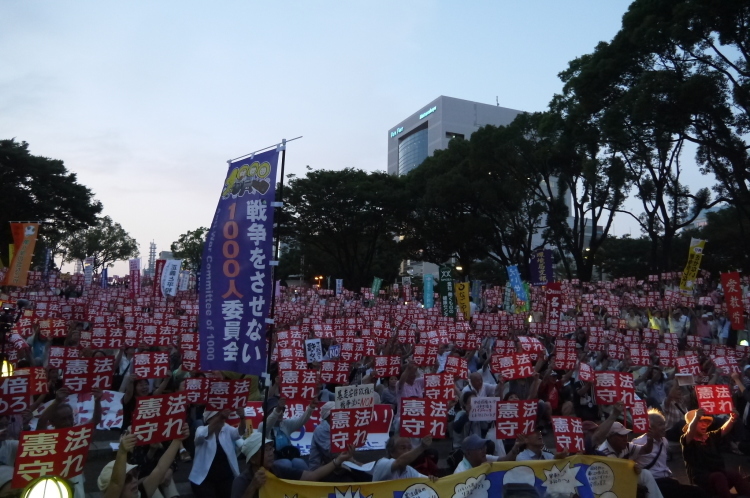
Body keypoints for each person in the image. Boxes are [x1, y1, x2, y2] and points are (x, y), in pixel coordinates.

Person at [231, 431, 356, 498]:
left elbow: (310, 477)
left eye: (271, 448)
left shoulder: (276, 470)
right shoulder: (241, 481)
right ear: (252, 459)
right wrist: (253, 486)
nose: (270, 453)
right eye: (265, 450)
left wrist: (338, 460)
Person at [632, 410, 708, 498]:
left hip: (667, 480)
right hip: (653, 482)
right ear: (650, 427)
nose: (664, 427)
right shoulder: (638, 442)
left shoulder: (664, 441)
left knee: (698, 491)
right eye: (660, 424)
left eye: (664, 424)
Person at [99, 424, 189, 498]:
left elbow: (160, 469)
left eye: (134, 474)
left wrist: (178, 439)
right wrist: (122, 452)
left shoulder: (141, 494)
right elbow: (116, 483)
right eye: (127, 479)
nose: (134, 480)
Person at [680, 408, 750, 498]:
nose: (704, 424)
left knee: (734, 475)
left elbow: (723, 430)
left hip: (719, 477)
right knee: (718, 476)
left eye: (706, 421)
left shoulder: (710, 436)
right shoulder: (687, 440)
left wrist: (732, 419)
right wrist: (696, 417)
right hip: (701, 480)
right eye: (700, 421)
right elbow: (690, 432)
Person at [189, 408, 246, 498]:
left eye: (222, 417)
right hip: (204, 479)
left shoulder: (227, 429)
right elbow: (201, 436)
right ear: (209, 419)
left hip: (226, 477)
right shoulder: (200, 429)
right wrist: (220, 417)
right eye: (217, 416)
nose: (221, 419)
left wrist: (242, 417)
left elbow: (240, 432)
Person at [597, 422, 664, 498]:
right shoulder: (604, 452)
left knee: (645, 474)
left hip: (621, 478)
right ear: (610, 437)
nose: (625, 438)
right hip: (609, 485)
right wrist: (632, 467)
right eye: (621, 436)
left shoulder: (625, 446)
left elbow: (646, 450)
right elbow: (616, 475)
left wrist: (650, 439)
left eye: (626, 435)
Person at [257, 397, 317, 472]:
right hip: (272, 460)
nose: (280, 413)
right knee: (286, 464)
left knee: (299, 462)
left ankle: (308, 481)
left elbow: (301, 421)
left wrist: (310, 408)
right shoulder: (263, 426)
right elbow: (268, 424)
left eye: (282, 410)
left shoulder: (285, 424)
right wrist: (277, 409)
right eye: (276, 411)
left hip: (289, 456)